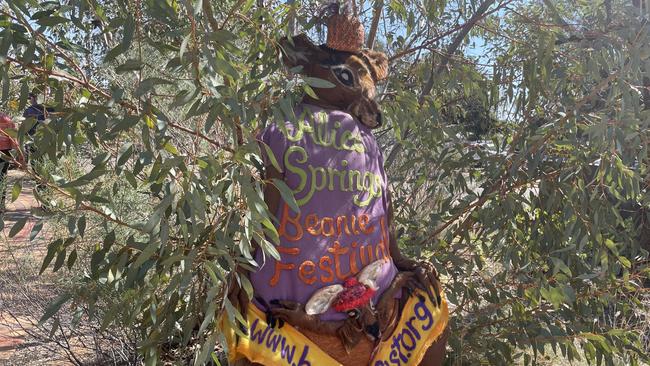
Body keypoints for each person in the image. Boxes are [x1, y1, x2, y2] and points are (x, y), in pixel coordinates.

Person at [0, 113, 20, 213]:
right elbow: (13, 138)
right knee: (2, 177)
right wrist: (18, 155)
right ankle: (1, 205)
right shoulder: (7, 119)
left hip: (4, 152)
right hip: (4, 152)